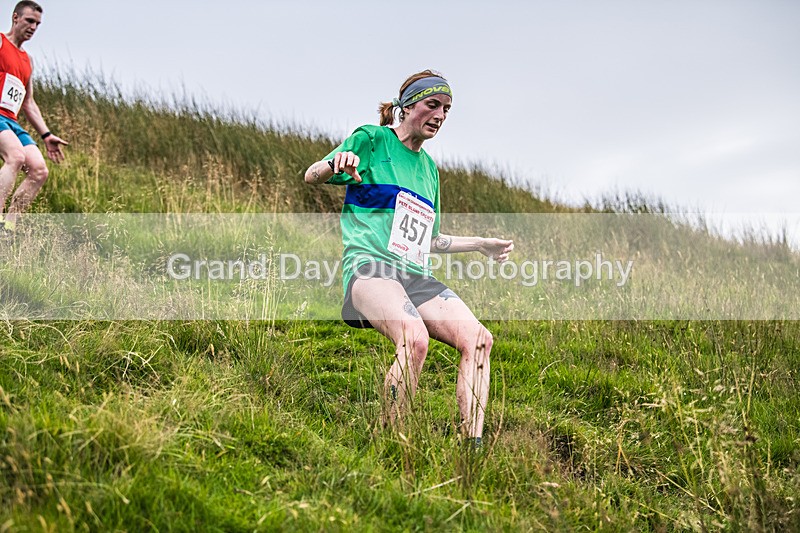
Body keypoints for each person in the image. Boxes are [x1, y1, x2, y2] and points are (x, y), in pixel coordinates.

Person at [304, 70, 514, 447]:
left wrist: (480, 244)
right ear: (407, 106)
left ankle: (473, 448)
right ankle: (391, 442)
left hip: (415, 274)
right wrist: (336, 164)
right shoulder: (371, 140)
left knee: (479, 339)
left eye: (447, 110)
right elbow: (311, 174)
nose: (440, 115)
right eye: (432, 105)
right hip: (371, 269)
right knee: (414, 338)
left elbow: (429, 240)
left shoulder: (429, 170)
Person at [0, 1, 67, 233]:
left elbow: (28, 102)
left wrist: (46, 135)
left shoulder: (28, 60)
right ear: (15, 17)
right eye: (29, 21)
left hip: (12, 120)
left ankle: (8, 228)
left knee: (39, 170)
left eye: (37, 24)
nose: (33, 27)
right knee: (16, 157)